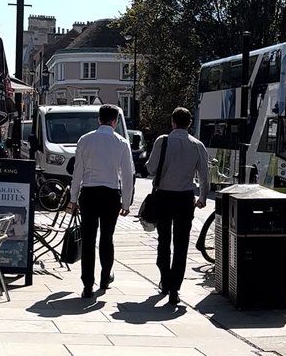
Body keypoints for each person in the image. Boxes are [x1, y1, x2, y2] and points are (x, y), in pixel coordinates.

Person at [67, 104, 134, 299]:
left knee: (88, 240)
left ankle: (87, 284)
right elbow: (127, 174)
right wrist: (126, 203)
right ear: (115, 121)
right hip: (110, 194)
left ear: (99, 119)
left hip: (89, 193)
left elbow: (77, 172)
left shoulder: (85, 140)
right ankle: (105, 277)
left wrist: (73, 199)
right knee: (107, 237)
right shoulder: (121, 142)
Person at [147, 107, 209, 307]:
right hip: (185, 198)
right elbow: (204, 177)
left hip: (164, 196)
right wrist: (202, 197)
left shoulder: (162, 141)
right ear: (190, 123)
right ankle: (175, 288)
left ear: (173, 122)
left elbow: (150, 168)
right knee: (181, 244)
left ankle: (165, 279)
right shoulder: (197, 146)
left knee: (163, 240)